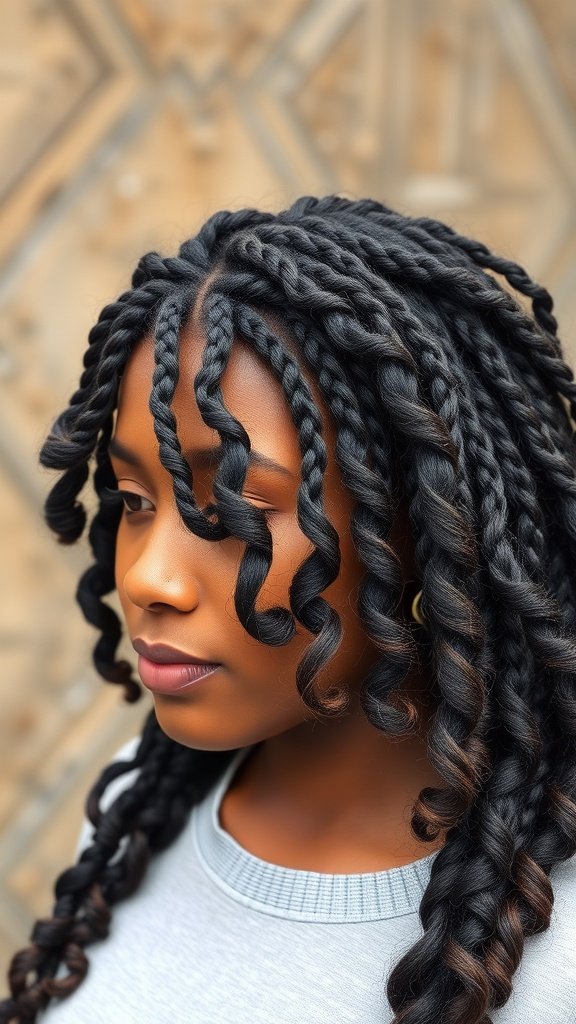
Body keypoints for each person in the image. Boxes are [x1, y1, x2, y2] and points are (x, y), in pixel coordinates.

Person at [1, 195, 575, 1024]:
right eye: (132, 499)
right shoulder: (141, 813)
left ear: (419, 527)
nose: (151, 579)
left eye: (232, 511)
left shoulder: (549, 950)